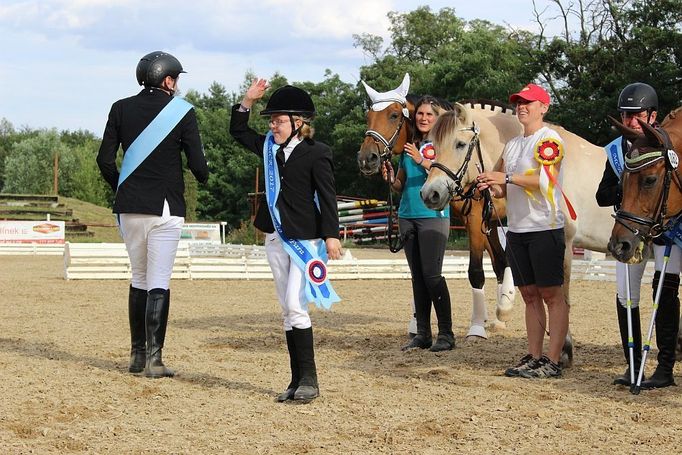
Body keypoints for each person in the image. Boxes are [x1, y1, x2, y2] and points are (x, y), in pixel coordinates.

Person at [97, 51, 209, 378]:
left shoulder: (120, 108)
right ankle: (154, 360)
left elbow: (105, 160)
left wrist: (123, 186)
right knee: (158, 281)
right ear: (168, 80)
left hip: (130, 207)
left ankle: (136, 356)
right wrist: (203, 176)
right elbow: (198, 164)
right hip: (164, 206)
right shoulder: (182, 112)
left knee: (139, 278)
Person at [230, 79, 342, 403]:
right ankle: (296, 380)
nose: (272, 126)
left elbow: (328, 196)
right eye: (271, 120)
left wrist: (331, 235)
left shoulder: (317, 153)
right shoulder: (268, 148)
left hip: (305, 240)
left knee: (296, 304)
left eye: (278, 120)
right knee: (286, 310)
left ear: (298, 123)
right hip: (275, 236)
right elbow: (238, 132)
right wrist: (247, 101)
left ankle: (310, 379)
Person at [476, 83, 569, 379]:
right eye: (518, 102)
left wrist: (505, 176)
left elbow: (546, 181)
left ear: (544, 106)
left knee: (552, 295)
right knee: (529, 294)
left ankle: (554, 360)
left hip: (545, 227)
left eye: (528, 102)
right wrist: (492, 184)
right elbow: (504, 189)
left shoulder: (549, 139)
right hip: (517, 229)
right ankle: (534, 354)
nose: (521, 107)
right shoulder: (513, 145)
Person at [596, 82, 681, 388]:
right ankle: (633, 366)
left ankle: (665, 369)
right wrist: (627, 185)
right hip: (632, 228)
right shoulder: (617, 150)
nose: (631, 121)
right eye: (626, 115)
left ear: (653, 115)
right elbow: (601, 195)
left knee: (665, 291)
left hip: (667, 233)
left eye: (637, 115)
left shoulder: (667, 143)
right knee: (626, 295)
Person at [382, 95, 454, 352]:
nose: (424, 118)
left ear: (437, 119)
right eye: (420, 114)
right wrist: (391, 178)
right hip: (407, 215)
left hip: (433, 216)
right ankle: (423, 333)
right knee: (418, 278)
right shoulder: (409, 146)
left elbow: (445, 174)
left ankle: (446, 333)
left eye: (429, 115)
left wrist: (422, 161)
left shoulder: (445, 145)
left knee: (432, 275)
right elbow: (401, 184)